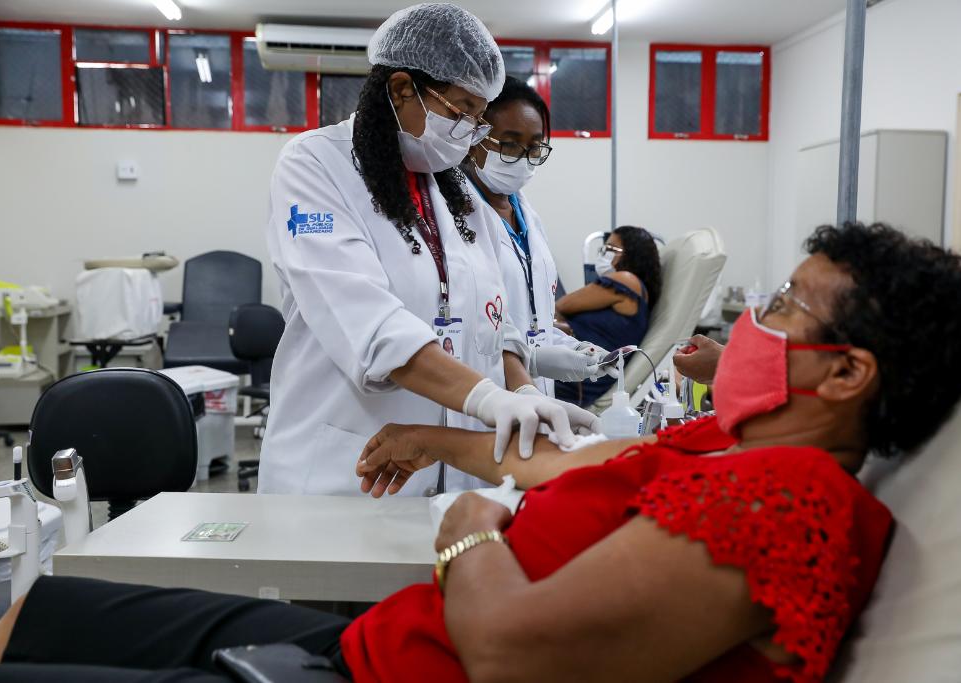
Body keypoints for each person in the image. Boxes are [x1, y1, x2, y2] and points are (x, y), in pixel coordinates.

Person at [0, 224, 961, 683]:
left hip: (386, 668)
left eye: (782, 306)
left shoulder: (791, 498)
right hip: (375, 641)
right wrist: (443, 440)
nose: (754, 321)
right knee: (47, 605)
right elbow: (577, 465)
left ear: (847, 373)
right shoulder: (724, 441)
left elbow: (514, 650)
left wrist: (470, 530)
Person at [258, 3, 598, 496]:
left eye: (480, 118)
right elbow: (369, 322)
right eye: (462, 110)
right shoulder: (314, 166)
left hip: (448, 477)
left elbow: (493, 324)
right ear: (401, 89)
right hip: (343, 469)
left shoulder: (455, 194)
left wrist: (522, 391)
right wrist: (486, 399)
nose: (470, 131)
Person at [461, 76, 613, 398]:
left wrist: (577, 351)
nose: (522, 157)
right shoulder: (456, 215)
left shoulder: (528, 217)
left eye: (534, 147)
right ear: (476, 136)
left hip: (537, 395)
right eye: (510, 143)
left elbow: (536, 320)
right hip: (486, 396)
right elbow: (470, 328)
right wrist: (533, 359)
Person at [554, 225, 663, 406]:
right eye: (604, 249)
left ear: (632, 255)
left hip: (576, 381)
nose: (604, 254)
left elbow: (561, 305)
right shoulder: (635, 292)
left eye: (611, 249)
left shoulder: (626, 281)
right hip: (577, 371)